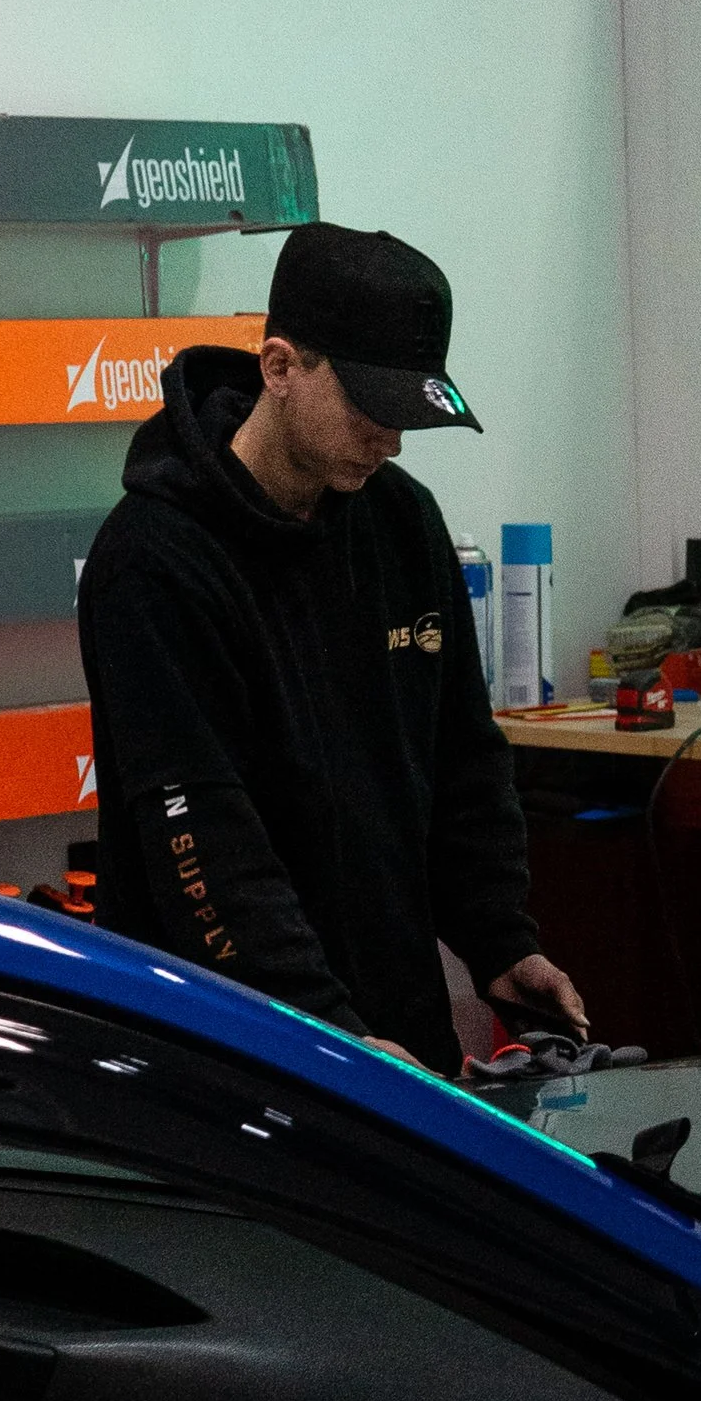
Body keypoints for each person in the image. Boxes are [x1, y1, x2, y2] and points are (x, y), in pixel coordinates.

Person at [78, 221, 585, 1077]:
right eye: (369, 406)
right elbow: (204, 842)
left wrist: (499, 938)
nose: (390, 438)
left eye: (410, 412)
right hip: (223, 1055)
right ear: (279, 367)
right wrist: (321, 1033)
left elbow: (461, 761)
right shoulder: (154, 563)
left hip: (397, 1048)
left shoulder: (404, 524)